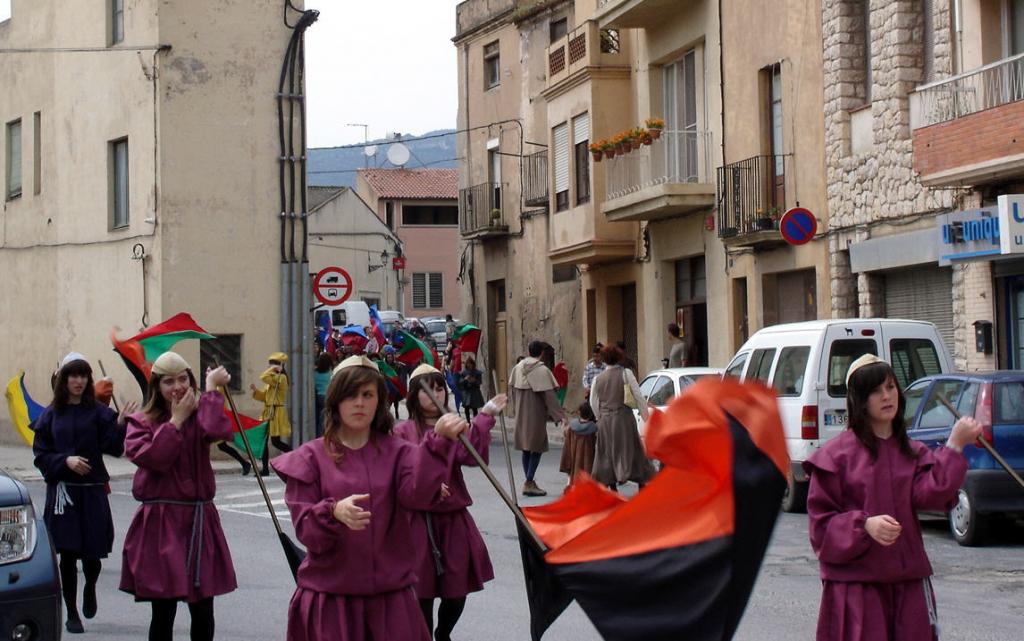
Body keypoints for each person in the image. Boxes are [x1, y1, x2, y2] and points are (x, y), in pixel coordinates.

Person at [271, 355, 469, 641]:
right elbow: (307, 531)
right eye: (351, 395)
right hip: (332, 603)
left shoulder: (400, 453)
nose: (359, 403)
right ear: (336, 400)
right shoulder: (310, 458)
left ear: (379, 401)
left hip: (391, 603)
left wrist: (437, 442)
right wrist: (333, 511)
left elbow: (419, 496)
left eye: (367, 395)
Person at [803, 354, 981, 641]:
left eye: (890, 387)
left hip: (907, 583)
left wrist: (955, 445)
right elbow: (820, 528)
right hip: (857, 588)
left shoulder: (913, 452)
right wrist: (864, 525)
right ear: (860, 400)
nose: (887, 396)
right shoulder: (834, 457)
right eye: (875, 391)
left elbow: (931, 496)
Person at [120, 352, 237, 641]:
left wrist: (211, 389)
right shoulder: (140, 422)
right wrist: (175, 421)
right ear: (156, 386)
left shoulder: (201, 415)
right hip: (161, 523)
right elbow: (156, 459)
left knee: (203, 608)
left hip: (198, 520)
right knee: (163, 609)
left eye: (183, 379)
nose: (177, 387)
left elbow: (217, 430)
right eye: (169, 382)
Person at [394, 364, 507, 641]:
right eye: (428, 389)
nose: (436, 394)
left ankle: (443, 634)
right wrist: (430, 483)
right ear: (414, 395)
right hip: (418, 522)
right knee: (421, 592)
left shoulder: (454, 426)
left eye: (439, 388)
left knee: (456, 591)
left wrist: (485, 417)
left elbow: (472, 456)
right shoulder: (402, 432)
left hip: (452, 518)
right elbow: (402, 472)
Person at [32, 353, 135, 634]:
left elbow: (113, 447)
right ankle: (72, 613)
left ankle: (90, 586)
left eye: (83, 376)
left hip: (91, 493)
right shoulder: (51, 415)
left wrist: (120, 424)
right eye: (73, 376)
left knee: (92, 555)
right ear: (64, 380)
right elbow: (41, 454)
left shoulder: (99, 412)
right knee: (67, 555)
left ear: (88, 380)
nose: (78, 381)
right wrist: (64, 461)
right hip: (64, 496)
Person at [590, 344, 654, 492]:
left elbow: (593, 402)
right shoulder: (626, 374)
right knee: (633, 450)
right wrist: (646, 417)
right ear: (619, 357)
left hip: (606, 421)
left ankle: (612, 486)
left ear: (604, 359)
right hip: (624, 419)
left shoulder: (597, 379)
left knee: (607, 454)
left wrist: (600, 417)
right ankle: (641, 483)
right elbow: (638, 396)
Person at [509, 340, 568, 497]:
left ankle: (529, 481)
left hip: (521, 413)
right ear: (541, 353)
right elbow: (550, 396)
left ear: (529, 351)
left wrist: (515, 410)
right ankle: (529, 481)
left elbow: (513, 391)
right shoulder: (542, 370)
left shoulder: (517, 368)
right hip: (535, 414)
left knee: (526, 447)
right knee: (537, 447)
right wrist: (560, 416)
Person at [250, 351, 293, 476]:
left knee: (275, 442)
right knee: (264, 441)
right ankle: (265, 469)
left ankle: (296, 456)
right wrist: (255, 391)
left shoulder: (281, 378)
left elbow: (263, 377)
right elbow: (265, 397)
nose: (269, 366)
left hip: (276, 413)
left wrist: (274, 369)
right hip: (268, 411)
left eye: (272, 364)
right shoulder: (273, 379)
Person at [559, 400, 597, 490]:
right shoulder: (593, 428)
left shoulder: (573, 426)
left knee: (574, 471)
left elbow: (565, 433)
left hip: (574, 455)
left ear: (579, 413)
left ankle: (571, 486)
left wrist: (564, 425)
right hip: (588, 457)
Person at [313, 352, 334, 438]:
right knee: (324, 420)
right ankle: (321, 436)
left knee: (317, 418)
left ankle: (316, 435)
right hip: (326, 397)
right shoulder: (330, 373)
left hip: (316, 396)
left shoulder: (314, 373)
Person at [458, 357, 485, 421]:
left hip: (474, 392)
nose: (469, 365)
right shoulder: (464, 373)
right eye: (468, 364)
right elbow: (460, 382)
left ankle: (475, 421)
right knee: (466, 407)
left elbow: (479, 382)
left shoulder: (477, 372)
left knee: (474, 408)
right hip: (466, 392)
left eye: (470, 363)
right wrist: (465, 379)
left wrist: (474, 380)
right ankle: (468, 422)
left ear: (473, 364)